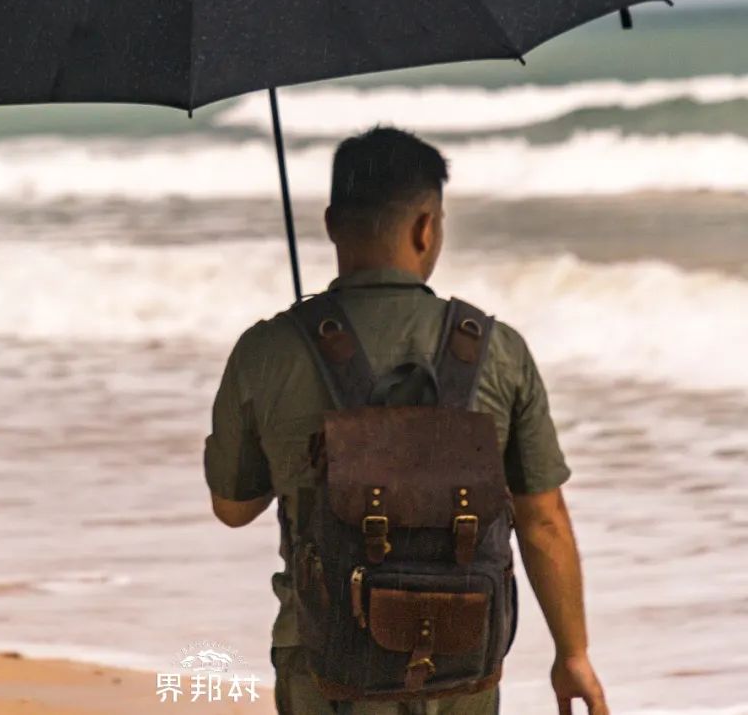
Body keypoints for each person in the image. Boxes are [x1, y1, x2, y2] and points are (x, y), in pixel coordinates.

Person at [203, 126, 610, 715]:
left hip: (326, 664)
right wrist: (572, 655)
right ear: (427, 227)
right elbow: (542, 519)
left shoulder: (267, 350)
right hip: (460, 663)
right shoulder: (496, 350)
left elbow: (232, 508)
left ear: (331, 224)